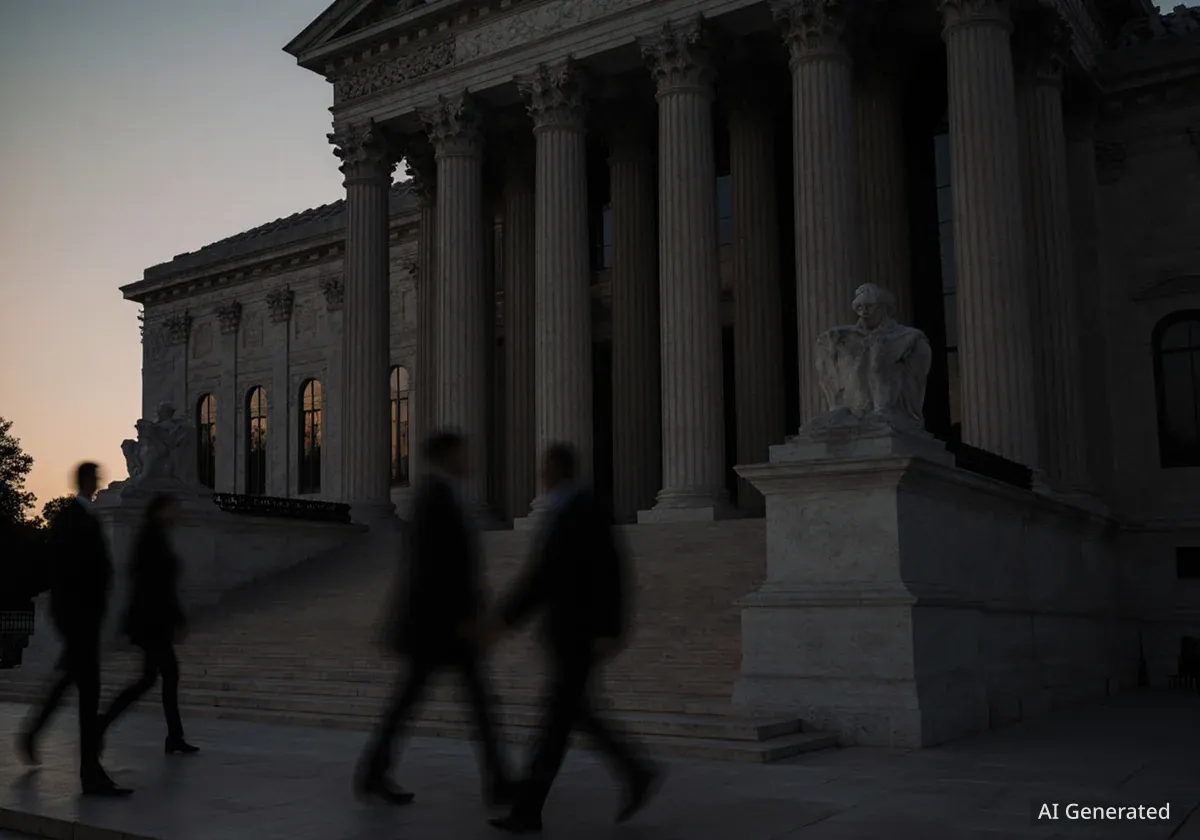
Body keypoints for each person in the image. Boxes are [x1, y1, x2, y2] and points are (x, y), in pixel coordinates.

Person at [485, 443, 661, 834]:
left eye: (546, 469)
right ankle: (635, 772)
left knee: (558, 721)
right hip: (569, 632)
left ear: (561, 470)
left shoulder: (584, 509)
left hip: (579, 633)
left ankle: (530, 809)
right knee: (571, 715)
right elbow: (548, 574)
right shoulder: (566, 509)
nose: (541, 476)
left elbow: (601, 572)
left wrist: (505, 618)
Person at [355, 430, 512, 806]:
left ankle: (375, 772)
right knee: (463, 703)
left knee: (446, 702)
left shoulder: (447, 494)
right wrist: (461, 616)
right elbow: (430, 566)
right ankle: (498, 782)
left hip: (444, 623)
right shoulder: (431, 497)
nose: (468, 458)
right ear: (447, 455)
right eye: (461, 452)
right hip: (439, 625)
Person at [18, 462, 132, 796]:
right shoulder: (71, 518)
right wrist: (72, 615)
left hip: (84, 617)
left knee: (71, 682)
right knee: (87, 693)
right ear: (85, 481)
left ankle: (35, 733)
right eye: (95, 478)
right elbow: (65, 570)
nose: (98, 483)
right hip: (78, 617)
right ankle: (89, 772)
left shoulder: (83, 516)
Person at [98, 494, 198, 755]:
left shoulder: (155, 536)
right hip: (151, 621)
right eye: (172, 508)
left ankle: (173, 735)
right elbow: (156, 585)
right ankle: (104, 722)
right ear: (160, 511)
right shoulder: (151, 539)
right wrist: (175, 618)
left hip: (152, 620)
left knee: (152, 678)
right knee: (156, 677)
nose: (177, 513)